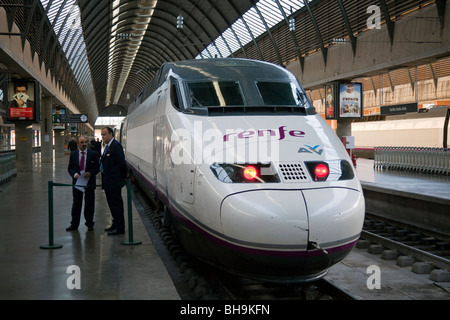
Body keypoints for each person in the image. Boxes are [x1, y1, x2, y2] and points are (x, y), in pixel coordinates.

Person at [66, 136, 100, 231]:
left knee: (89, 203)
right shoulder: (73, 154)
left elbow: (97, 167)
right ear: (78, 144)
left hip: (89, 182)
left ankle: (89, 223)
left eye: (85, 142)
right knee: (76, 203)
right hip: (77, 182)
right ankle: (74, 224)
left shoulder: (93, 154)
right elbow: (70, 168)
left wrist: (90, 173)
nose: (84, 144)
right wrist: (75, 174)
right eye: (82, 142)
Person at [100, 126, 128, 235]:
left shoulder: (116, 146)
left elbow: (122, 164)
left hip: (114, 182)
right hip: (108, 182)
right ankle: (115, 224)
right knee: (112, 205)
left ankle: (120, 227)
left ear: (111, 134)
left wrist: (121, 179)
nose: (102, 136)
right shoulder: (108, 146)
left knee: (116, 205)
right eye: (102, 134)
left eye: (104, 134)